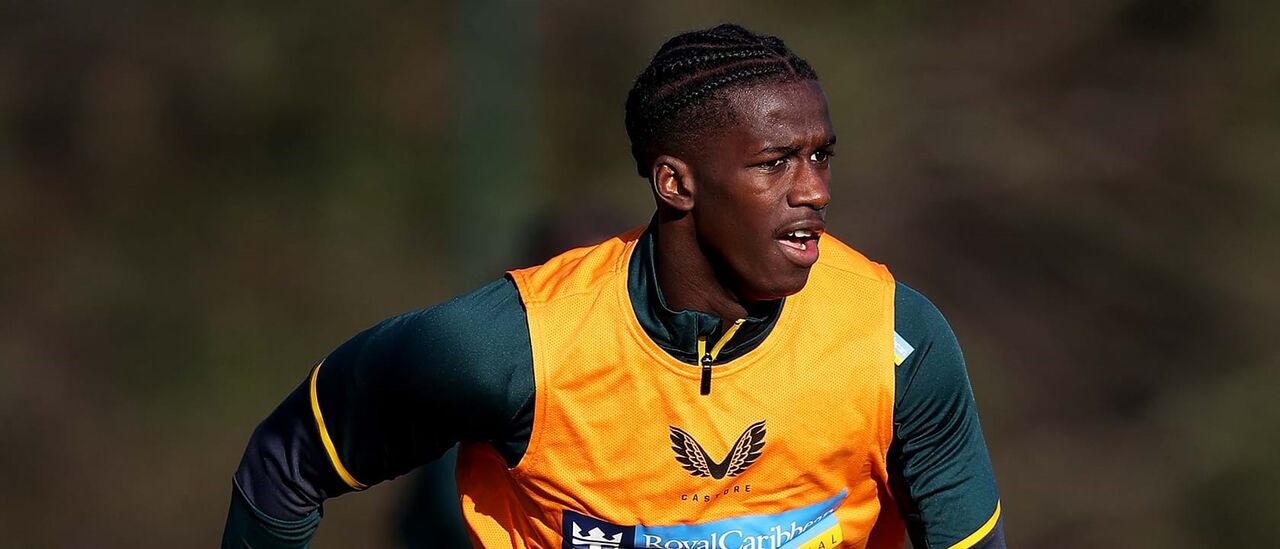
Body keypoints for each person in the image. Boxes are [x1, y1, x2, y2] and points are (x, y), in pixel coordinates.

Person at [223, 24, 1005, 549]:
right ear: (676, 183)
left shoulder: (894, 342)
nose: (815, 190)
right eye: (775, 163)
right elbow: (287, 464)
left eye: (821, 156)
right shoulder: (508, 347)